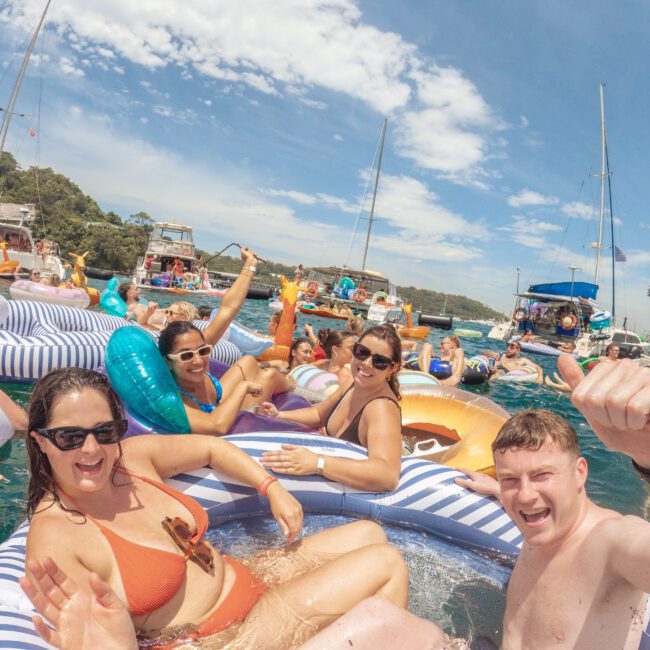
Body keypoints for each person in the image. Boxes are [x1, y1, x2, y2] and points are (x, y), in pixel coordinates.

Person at [20, 368, 410, 650]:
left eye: (104, 432)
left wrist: (271, 488)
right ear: (40, 441)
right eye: (70, 437)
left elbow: (212, 447)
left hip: (254, 578)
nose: (91, 450)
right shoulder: (57, 535)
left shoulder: (133, 460)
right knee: (386, 562)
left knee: (368, 533)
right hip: (224, 637)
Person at [456, 355, 650, 650]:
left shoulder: (610, 543)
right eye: (510, 479)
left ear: (579, 473)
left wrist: (647, 460)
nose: (524, 495)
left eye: (542, 475)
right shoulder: (541, 521)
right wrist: (498, 488)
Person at [258, 325, 403, 492]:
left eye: (380, 362)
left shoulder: (381, 408)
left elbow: (387, 476)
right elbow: (319, 414)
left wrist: (317, 463)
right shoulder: (353, 383)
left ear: (393, 368)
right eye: (362, 352)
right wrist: (279, 415)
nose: (366, 363)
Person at [159, 321, 294, 435]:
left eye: (203, 350)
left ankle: (288, 383)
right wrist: (243, 387)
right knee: (269, 375)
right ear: (167, 361)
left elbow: (228, 309)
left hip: (221, 405)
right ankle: (290, 385)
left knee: (248, 360)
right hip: (230, 426)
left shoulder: (196, 370)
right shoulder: (175, 399)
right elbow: (218, 427)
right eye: (186, 355)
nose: (199, 361)